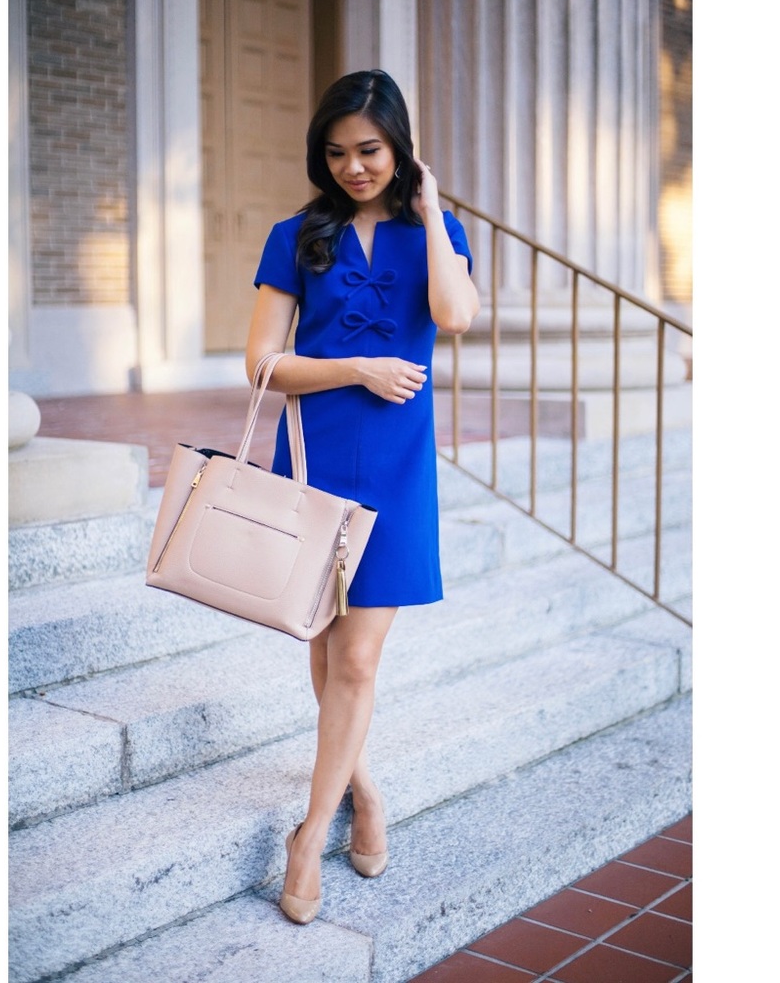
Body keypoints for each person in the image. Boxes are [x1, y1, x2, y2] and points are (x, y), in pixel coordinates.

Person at [245, 69, 480, 925]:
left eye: (370, 151)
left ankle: (308, 836)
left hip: (398, 470)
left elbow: (454, 316)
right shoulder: (295, 236)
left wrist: (431, 211)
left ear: (399, 147)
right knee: (322, 653)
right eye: (338, 153)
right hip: (314, 458)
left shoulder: (436, 232)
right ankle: (365, 794)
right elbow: (262, 363)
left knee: (357, 658)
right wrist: (355, 367)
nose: (353, 167)